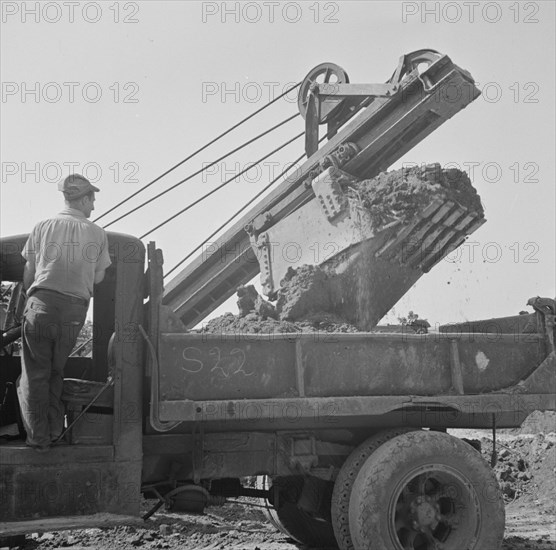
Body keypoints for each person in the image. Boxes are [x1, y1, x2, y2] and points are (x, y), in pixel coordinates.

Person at [17, 174, 111, 451]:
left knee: (34, 374)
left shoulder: (42, 226)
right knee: (56, 371)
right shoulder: (97, 233)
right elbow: (99, 279)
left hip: (41, 304)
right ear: (83, 199)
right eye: (92, 200)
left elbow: (29, 273)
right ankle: (56, 430)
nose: (93, 207)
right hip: (74, 310)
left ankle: (38, 438)